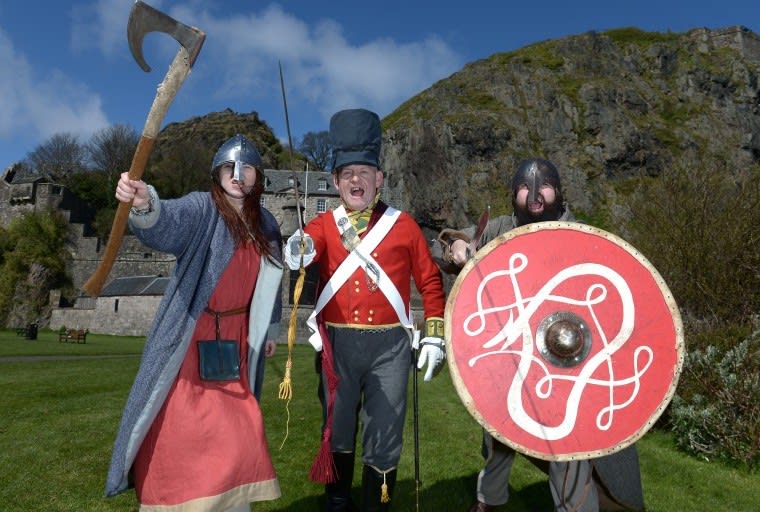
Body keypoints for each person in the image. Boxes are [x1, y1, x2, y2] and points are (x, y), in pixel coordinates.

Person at [436, 158, 645, 512]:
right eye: (524, 186)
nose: (534, 194)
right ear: (512, 192)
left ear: (559, 191)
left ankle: (575, 507)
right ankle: (490, 501)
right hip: (512, 353)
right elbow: (453, 242)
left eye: (544, 184)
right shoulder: (500, 228)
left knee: (568, 444)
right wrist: (458, 247)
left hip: (568, 360)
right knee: (499, 432)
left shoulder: (580, 235)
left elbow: (607, 297)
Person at [104, 134, 283, 512]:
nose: (238, 175)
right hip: (191, 336)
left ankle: (233, 505)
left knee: (238, 432)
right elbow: (168, 223)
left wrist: (269, 327)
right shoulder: (202, 208)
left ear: (258, 176)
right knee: (183, 431)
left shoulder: (266, 223)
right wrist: (145, 202)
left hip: (237, 340)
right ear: (216, 173)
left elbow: (273, 280)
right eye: (229, 168)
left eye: (247, 168)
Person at [283, 108, 447, 512]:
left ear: (380, 179)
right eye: (348, 174)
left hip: (391, 348)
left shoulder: (404, 225)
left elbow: (430, 282)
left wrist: (435, 335)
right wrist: (297, 247)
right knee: (337, 430)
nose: (357, 181)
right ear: (336, 182)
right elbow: (306, 249)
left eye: (365, 173)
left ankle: (379, 505)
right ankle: (337, 502)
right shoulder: (323, 224)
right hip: (337, 347)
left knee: (386, 433)